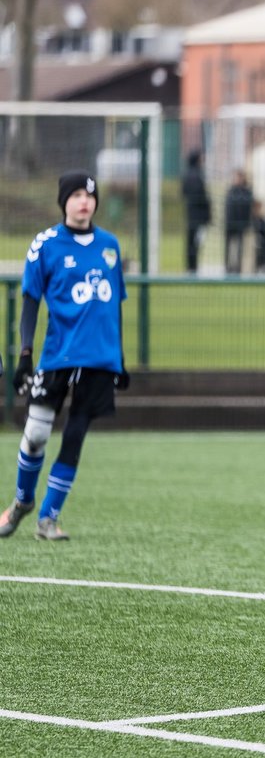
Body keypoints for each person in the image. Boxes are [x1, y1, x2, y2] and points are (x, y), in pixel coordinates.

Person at [0, 170, 128, 541]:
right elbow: (30, 302)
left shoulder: (110, 246)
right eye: (75, 195)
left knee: (74, 437)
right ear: (64, 202)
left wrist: (119, 359)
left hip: (100, 360)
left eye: (89, 195)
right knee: (36, 433)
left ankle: (48, 519)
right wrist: (26, 353)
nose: (84, 201)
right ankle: (22, 501)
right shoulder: (46, 244)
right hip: (57, 356)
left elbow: (114, 306)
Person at [181, 150, 210, 274]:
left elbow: (183, 192)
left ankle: (189, 266)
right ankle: (194, 267)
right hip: (199, 215)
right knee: (196, 243)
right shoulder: (198, 175)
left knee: (190, 242)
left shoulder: (186, 175)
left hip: (190, 213)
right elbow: (202, 196)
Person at [224, 169, 254, 275]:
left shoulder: (246, 192)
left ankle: (238, 268)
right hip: (230, 223)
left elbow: (248, 208)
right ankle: (227, 267)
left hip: (241, 224)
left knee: (239, 248)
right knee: (228, 247)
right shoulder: (231, 191)